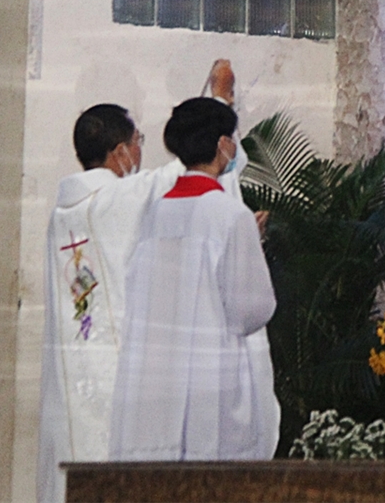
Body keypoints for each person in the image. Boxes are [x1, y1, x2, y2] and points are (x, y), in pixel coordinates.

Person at [37, 61, 245, 503]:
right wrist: (220, 100)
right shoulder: (116, 199)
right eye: (138, 142)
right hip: (115, 381)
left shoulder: (61, 213)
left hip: (69, 385)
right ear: (119, 153)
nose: (140, 151)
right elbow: (195, 168)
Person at [106, 97, 279, 462]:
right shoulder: (232, 215)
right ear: (223, 144)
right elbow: (251, 311)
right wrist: (252, 246)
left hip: (155, 384)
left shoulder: (155, 213)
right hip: (210, 380)